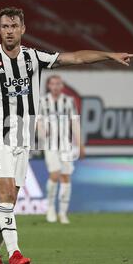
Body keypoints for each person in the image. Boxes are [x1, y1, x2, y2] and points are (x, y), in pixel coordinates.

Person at [0, 6, 133, 264]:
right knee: (4, 193)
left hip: (23, 140)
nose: (9, 31)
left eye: (14, 26)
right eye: (5, 26)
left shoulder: (34, 58)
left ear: (23, 29)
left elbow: (76, 58)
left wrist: (108, 55)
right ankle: (15, 253)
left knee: (10, 200)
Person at [40, 75, 84, 224]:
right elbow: (36, 121)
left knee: (66, 176)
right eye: (53, 83)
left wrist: (80, 145)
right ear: (48, 86)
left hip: (65, 144)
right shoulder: (42, 102)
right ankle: (50, 207)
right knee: (55, 174)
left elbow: (75, 123)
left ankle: (63, 213)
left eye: (58, 83)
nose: (56, 86)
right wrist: (41, 131)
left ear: (62, 85)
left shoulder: (68, 101)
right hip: (50, 144)